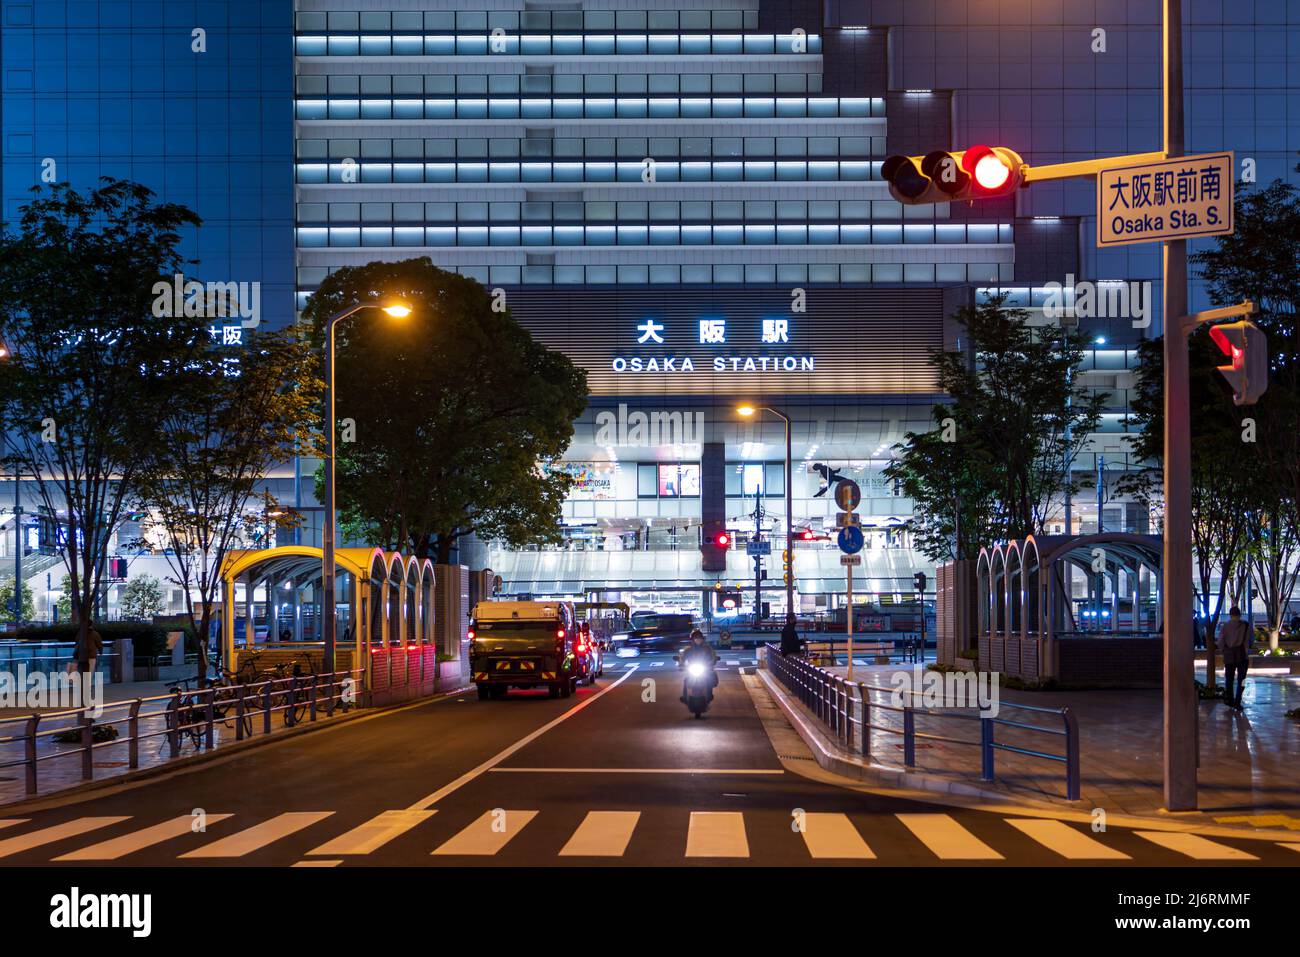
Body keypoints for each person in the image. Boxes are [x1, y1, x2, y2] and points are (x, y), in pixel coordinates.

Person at [1217, 605, 1251, 710]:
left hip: (1229, 654)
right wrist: (1246, 653)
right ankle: (1238, 700)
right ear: (1240, 614)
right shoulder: (1245, 625)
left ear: (1230, 614)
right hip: (1242, 654)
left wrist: (1224, 649)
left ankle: (1230, 700)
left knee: (1229, 679)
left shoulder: (1225, 626)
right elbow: (1248, 641)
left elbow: (1221, 641)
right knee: (1242, 679)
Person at [680, 629, 718, 703]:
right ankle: (685, 697)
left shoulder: (707, 648)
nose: (698, 640)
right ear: (692, 639)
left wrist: (712, 663)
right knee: (686, 680)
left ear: (702, 639)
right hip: (691, 669)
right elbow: (682, 658)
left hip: (705, 669)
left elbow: (713, 657)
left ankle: (709, 695)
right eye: (696, 638)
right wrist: (681, 664)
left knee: (710, 678)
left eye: (699, 638)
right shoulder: (688, 649)